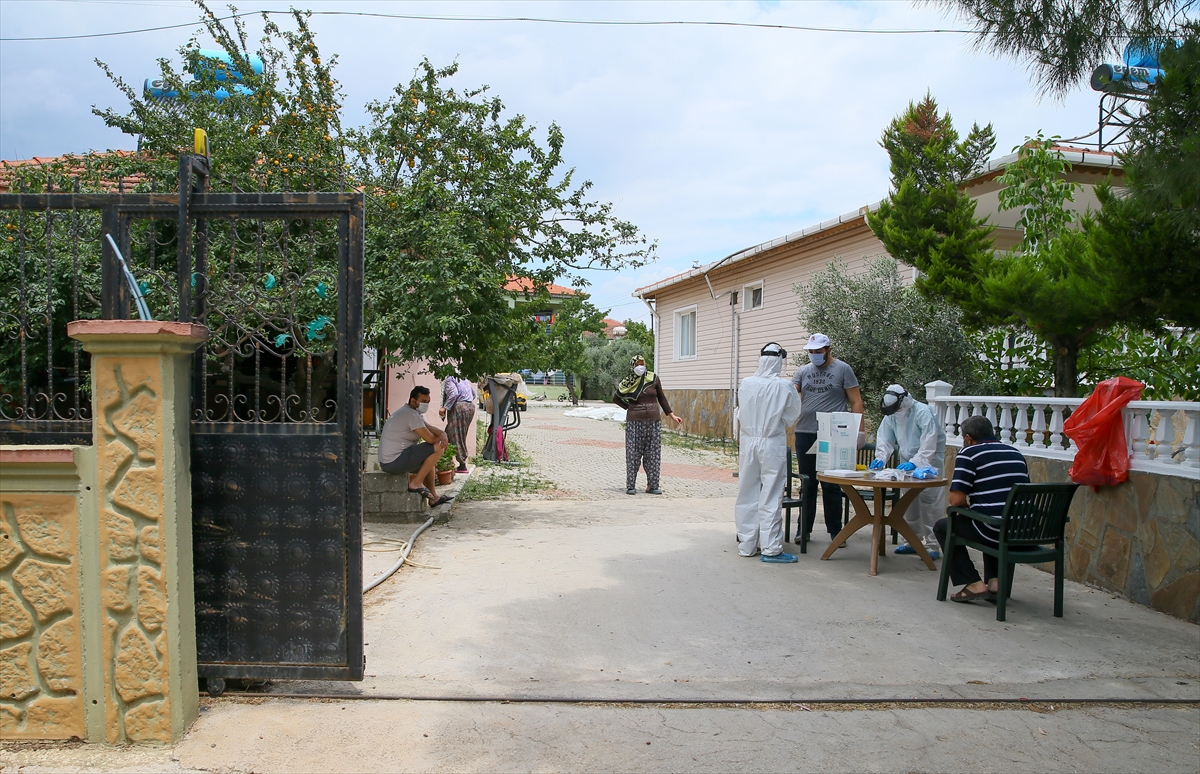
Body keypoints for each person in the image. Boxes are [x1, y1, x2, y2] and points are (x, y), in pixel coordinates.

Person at [933, 415, 1030, 603]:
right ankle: (995, 582)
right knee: (988, 516)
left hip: (996, 529)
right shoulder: (1015, 453)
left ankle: (973, 582)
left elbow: (956, 499)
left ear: (968, 438)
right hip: (1023, 530)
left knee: (944, 527)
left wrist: (968, 505)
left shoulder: (969, 453)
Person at [791, 333, 864, 544]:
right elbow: (790, 393)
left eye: (818, 351)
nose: (814, 355)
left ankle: (836, 532)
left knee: (831, 485)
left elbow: (856, 401)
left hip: (833, 434)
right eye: (811, 352)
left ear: (829, 350)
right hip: (805, 432)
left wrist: (859, 431)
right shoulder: (803, 371)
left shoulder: (843, 369)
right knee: (808, 483)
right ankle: (803, 530)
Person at [735, 343, 803, 563]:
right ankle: (771, 548)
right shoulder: (784, 387)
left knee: (747, 492)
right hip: (771, 441)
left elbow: (739, 412)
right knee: (771, 494)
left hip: (748, 442)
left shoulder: (746, 383)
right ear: (779, 361)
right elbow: (792, 416)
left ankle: (747, 545)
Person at [870, 384, 945, 559]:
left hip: (930, 461)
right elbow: (884, 438)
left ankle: (933, 545)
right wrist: (881, 457)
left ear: (905, 400)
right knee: (909, 501)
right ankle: (911, 541)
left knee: (930, 502)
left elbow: (929, 440)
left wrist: (917, 462)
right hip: (907, 461)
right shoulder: (892, 415)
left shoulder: (923, 412)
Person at [613, 354, 683, 495]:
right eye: (637, 364)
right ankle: (631, 486)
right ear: (633, 366)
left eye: (642, 364)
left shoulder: (653, 378)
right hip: (634, 423)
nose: (640, 366)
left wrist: (672, 415)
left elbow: (661, 398)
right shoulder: (627, 382)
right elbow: (616, 398)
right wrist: (630, 408)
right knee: (633, 453)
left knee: (653, 454)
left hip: (653, 422)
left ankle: (652, 486)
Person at [378, 386, 453, 508]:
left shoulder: (414, 413)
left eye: (428, 402)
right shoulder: (410, 414)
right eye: (423, 401)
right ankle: (416, 483)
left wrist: (442, 433)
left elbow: (428, 427)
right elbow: (429, 438)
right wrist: (441, 437)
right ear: (413, 401)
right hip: (394, 460)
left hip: (392, 460)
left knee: (430, 460)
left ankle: (434, 497)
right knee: (439, 446)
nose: (426, 404)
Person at [439, 375, 476, 473]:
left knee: (456, 436)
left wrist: (445, 407)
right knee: (449, 433)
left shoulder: (449, 379)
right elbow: (473, 394)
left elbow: (454, 394)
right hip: (470, 407)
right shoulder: (463, 378)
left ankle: (462, 463)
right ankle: (446, 460)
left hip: (459, 407)